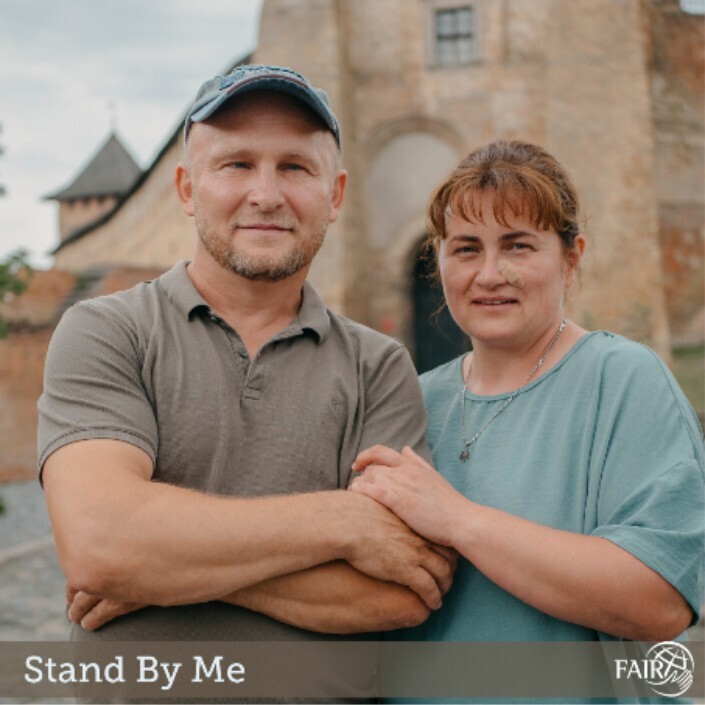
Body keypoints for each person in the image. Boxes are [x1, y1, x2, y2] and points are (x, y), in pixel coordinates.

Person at [38, 64, 455, 643]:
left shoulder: (376, 366)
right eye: (236, 164)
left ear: (334, 196)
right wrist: (343, 522)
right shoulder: (107, 332)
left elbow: (406, 589)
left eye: (295, 167)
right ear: (187, 189)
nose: (266, 194)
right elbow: (102, 542)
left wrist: (160, 570)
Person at [351, 139, 704, 643]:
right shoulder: (413, 400)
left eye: (518, 245)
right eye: (466, 249)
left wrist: (458, 520)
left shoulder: (623, 380)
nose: (490, 275)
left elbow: (659, 599)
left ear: (571, 257)